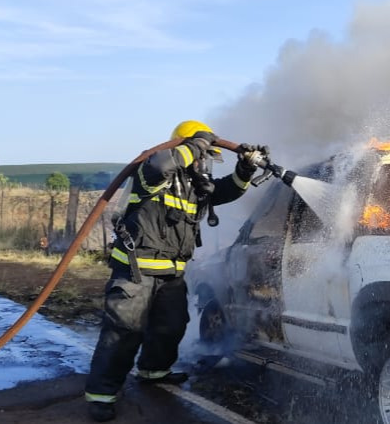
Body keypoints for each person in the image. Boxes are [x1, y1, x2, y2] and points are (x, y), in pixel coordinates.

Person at [85, 120, 269, 422]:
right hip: (136, 270)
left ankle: (153, 371)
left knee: (171, 325)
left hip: (172, 272)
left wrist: (245, 170)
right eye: (202, 154)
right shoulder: (152, 172)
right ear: (184, 147)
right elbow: (159, 168)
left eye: (207, 155)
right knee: (124, 332)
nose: (205, 160)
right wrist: (195, 143)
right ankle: (101, 394)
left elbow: (225, 191)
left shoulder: (194, 185)